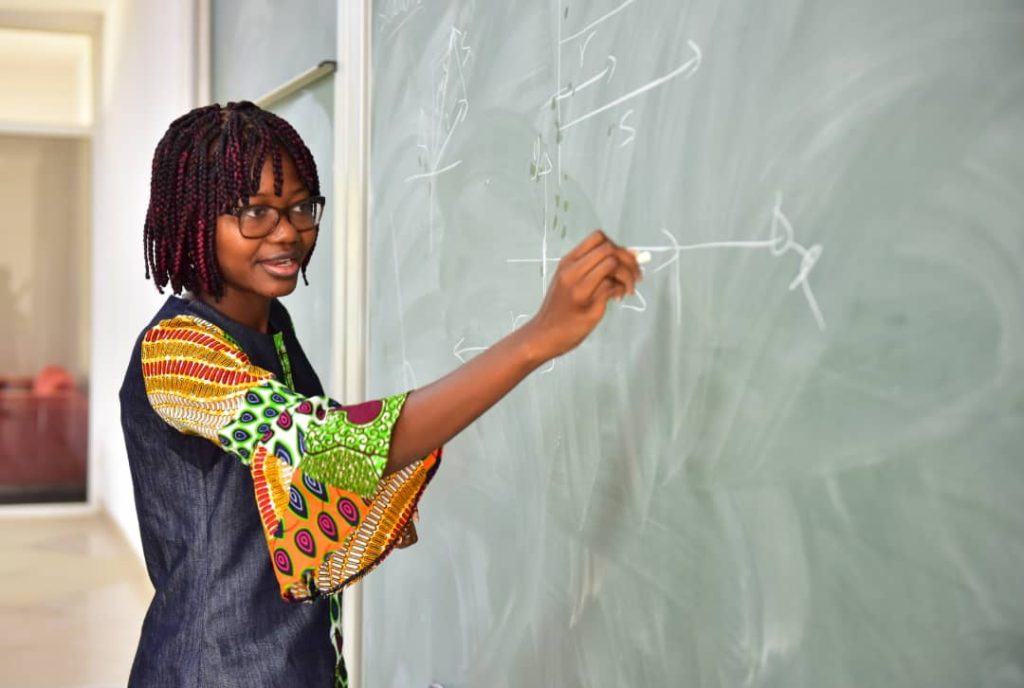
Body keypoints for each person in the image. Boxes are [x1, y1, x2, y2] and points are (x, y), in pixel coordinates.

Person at [119, 101, 642, 688]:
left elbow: (306, 467)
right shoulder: (177, 352)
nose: (288, 231)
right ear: (192, 218)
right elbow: (327, 448)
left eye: (299, 208)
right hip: (215, 668)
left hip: (294, 655)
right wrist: (536, 339)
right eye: (256, 212)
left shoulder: (273, 331)